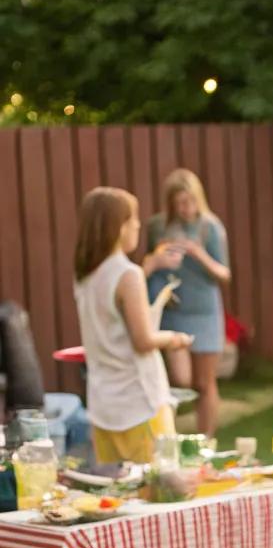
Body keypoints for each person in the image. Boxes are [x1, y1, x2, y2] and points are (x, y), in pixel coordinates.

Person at [74, 186, 191, 464]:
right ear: (119, 227)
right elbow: (143, 341)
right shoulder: (128, 274)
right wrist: (174, 338)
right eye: (133, 219)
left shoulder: (84, 276)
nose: (138, 225)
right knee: (161, 490)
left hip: (103, 406)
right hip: (140, 402)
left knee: (117, 494)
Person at [144, 169, 231, 439]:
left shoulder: (210, 227)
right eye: (179, 202)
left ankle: (207, 440)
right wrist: (161, 255)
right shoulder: (158, 226)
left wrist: (198, 253)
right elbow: (149, 265)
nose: (185, 208)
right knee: (180, 379)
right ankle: (170, 437)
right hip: (174, 310)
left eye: (189, 201)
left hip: (204, 311)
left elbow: (224, 274)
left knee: (204, 383)